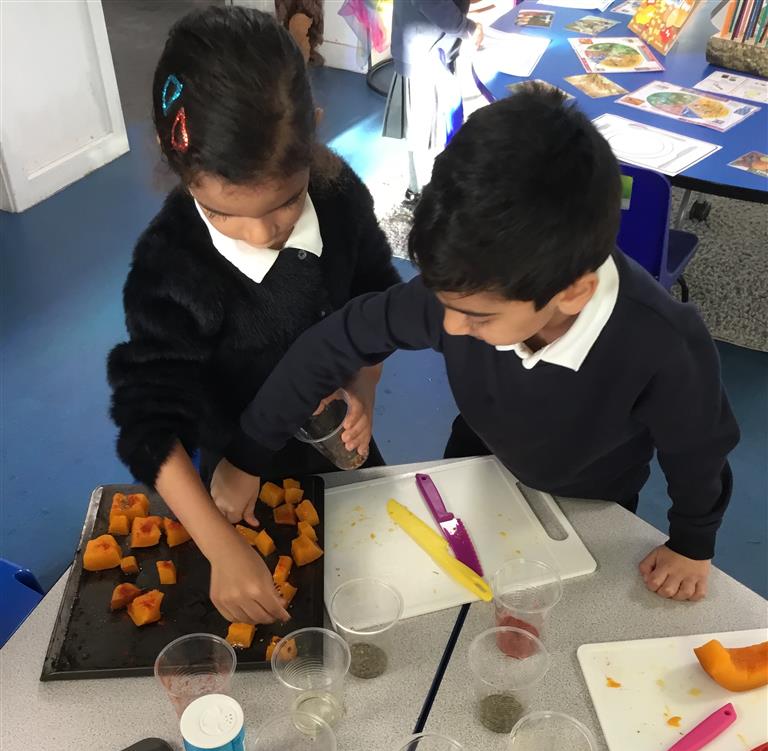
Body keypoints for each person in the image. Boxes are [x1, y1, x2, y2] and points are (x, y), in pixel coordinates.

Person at [215, 87, 740, 603]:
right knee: (457, 592)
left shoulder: (662, 344)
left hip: (593, 497)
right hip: (474, 465)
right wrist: (248, 455)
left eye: (478, 317)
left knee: (562, 606)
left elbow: (698, 451)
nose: (451, 326)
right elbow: (336, 339)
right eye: (443, 300)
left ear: (572, 292)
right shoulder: (465, 290)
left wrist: (692, 543)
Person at [107, 6, 399, 625]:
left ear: (313, 134)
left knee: (380, 585)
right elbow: (147, 423)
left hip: (340, 447)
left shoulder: (339, 193)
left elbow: (375, 302)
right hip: (237, 477)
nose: (263, 232)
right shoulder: (171, 267)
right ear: (176, 162)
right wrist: (221, 546)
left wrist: (362, 389)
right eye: (226, 213)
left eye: (286, 203)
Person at [383, 0, 484, 207]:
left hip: (432, 51)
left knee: (431, 131)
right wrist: (468, 29)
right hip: (424, 58)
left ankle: (424, 189)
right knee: (425, 135)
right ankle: (425, 195)